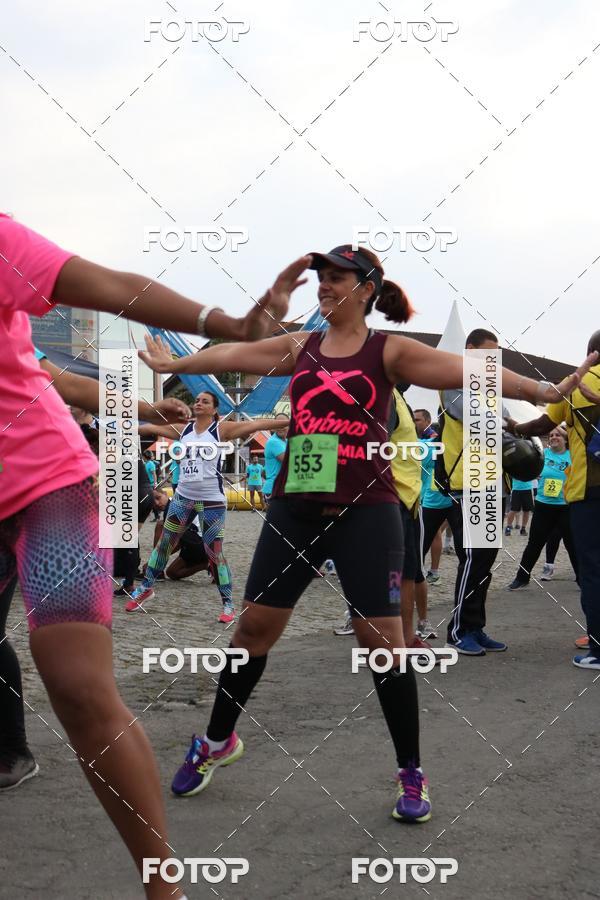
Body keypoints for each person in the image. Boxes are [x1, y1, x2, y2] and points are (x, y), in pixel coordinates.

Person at [140, 243, 594, 822]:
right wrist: (170, 367)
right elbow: (238, 353)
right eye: (321, 277)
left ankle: (411, 773)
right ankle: (217, 741)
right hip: (295, 507)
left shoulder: (389, 351)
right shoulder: (301, 347)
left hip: (367, 511)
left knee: (383, 646)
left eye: (336, 278)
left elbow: (473, 370)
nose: (324, 286)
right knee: (254, 627)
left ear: (366, 289)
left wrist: (545, 392)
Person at [0, 210, 306, 895]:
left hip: (44, 484)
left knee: (79, 686)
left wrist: (231, 324)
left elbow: (109, 287)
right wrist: (138, 412)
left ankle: (163, 887)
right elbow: (50, 371)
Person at [0, 347, 189, 790]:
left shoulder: (14, 341)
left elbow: (74, 384)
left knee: (78, 680)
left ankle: (14, 750)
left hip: (49, 504)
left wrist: (149, 409)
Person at [126, 394, 290, 623]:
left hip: (211, 500)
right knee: (164, 544)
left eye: (205, 401)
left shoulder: (221, 429)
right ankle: (146, 588)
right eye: (197, 400)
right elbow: (151, 427)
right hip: (183, 497)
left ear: (214, 409)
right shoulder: (183, 430)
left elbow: (257, 424)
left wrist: (291, 422)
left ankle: (228, 604)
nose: (198, 403)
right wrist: (123, 425)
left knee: (214, 552)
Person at [506, 331, 600, 668]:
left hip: (588, 490)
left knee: (593, 570)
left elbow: (543, 422)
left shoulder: (578, 382)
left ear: (590, 352)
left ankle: (598, 649)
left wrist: (514, 427)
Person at [507, 428, 578, 591]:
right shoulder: (542, 454)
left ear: (566, 440)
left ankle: (582, 579)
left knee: (572, 545)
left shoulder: (573, 456)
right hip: (543, 506)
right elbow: (527, 468)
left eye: (557, 435)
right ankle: (521, 578)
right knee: (534, 544)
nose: (553, 437)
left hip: (565, 507)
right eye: (551, 435)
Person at [262, 414, 289, 504]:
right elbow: (289, 462)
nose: (280, 427)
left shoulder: (287, 441)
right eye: (278, 425)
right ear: (273, 427)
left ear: (289, 426)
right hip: (275, 489)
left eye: (283, 425)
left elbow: (263, 472)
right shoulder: (274, 442)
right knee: (280, 518)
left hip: (281, 488)